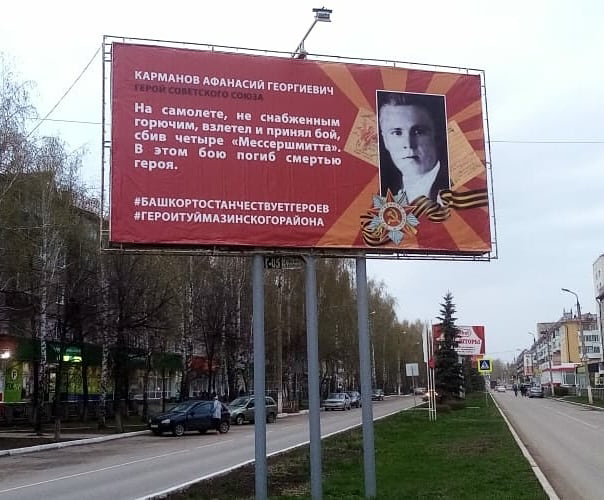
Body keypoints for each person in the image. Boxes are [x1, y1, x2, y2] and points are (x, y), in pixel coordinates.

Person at [377, 91, 450, 203]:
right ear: (385, 141)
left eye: (418, 132)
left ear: (437, 135)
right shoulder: (385, 194)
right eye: (397, 133)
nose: (409, 144)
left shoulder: (455, 190)